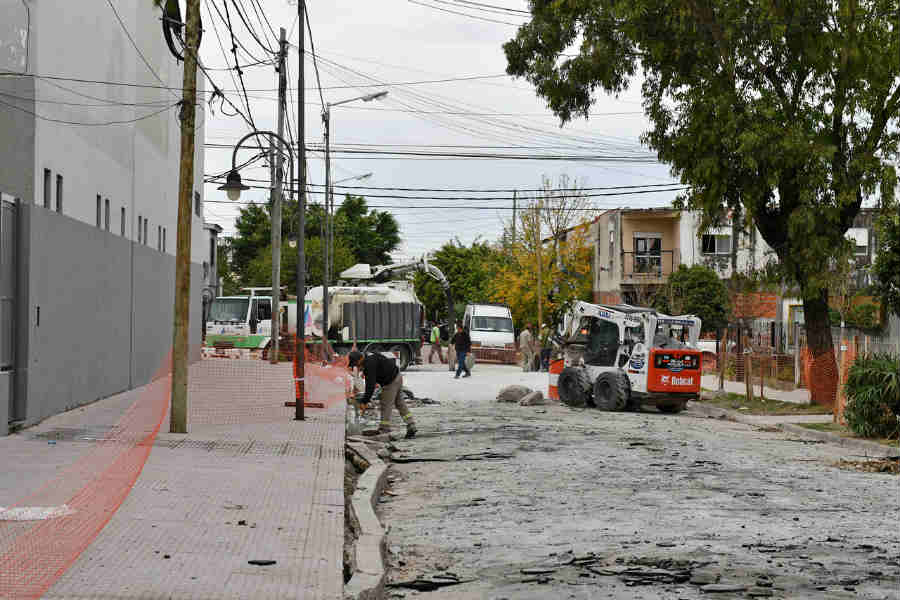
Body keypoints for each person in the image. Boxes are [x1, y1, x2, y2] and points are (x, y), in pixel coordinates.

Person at [348, 350, 417, 439]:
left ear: (359, 360)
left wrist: (364, 402)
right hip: (397, 376)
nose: (356, 366)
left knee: (385, 404)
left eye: (356, 364)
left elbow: (370, 386)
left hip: (390, 382)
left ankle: (384, 429)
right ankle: (411, 424)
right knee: (400, 403)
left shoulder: (369, 365)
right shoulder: (371, 357)